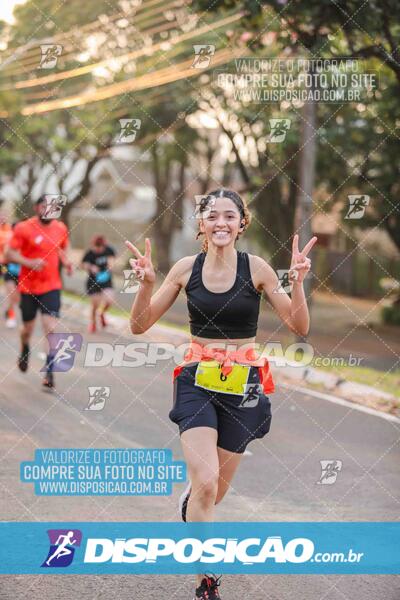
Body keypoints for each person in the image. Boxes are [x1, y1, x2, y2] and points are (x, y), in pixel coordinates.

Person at [126, 188, 317, 599]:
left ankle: (191, 505)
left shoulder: (258, 269)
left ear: (242, 223)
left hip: (242, 386)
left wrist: (298, 283)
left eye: (230, 216)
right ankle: (205, 581)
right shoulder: (184, 269)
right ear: (201, 224)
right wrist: (146, 284)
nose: (221, 223)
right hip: (196, 380)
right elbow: (139, 325)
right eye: (212, 216)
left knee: (215, 491)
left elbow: (298, 326)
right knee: (207, 484)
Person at [5, 195, 73, 389]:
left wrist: (67, 262)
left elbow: (62, 249)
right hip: (28, 287)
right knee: (27, 330)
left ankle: (50, 370)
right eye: (45, 206)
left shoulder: (60, 228)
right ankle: (24, 347)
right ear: (37, 208)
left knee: (50, 327)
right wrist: (29, 263)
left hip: (52, 286)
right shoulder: (23, 228)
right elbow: (8, 253)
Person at [81, 235, 115, 333]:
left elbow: (112, 260)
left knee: (109, 300)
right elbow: (83, 264)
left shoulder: (109, 250)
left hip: (106, 281)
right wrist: (91, 267)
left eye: (101, 247)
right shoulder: (90, 253)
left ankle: (102, 313)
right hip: (93, 282)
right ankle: (93, 323)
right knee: (95, 304)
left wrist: (110, 265)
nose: (98, 249)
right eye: (96, 247)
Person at [0, 215, 20, 327]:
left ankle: (8, 311)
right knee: (11, 294)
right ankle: (11, 316)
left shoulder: (26, 241)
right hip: (7, 268)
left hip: (22, 272)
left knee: (16, 298)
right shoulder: (9, 240)